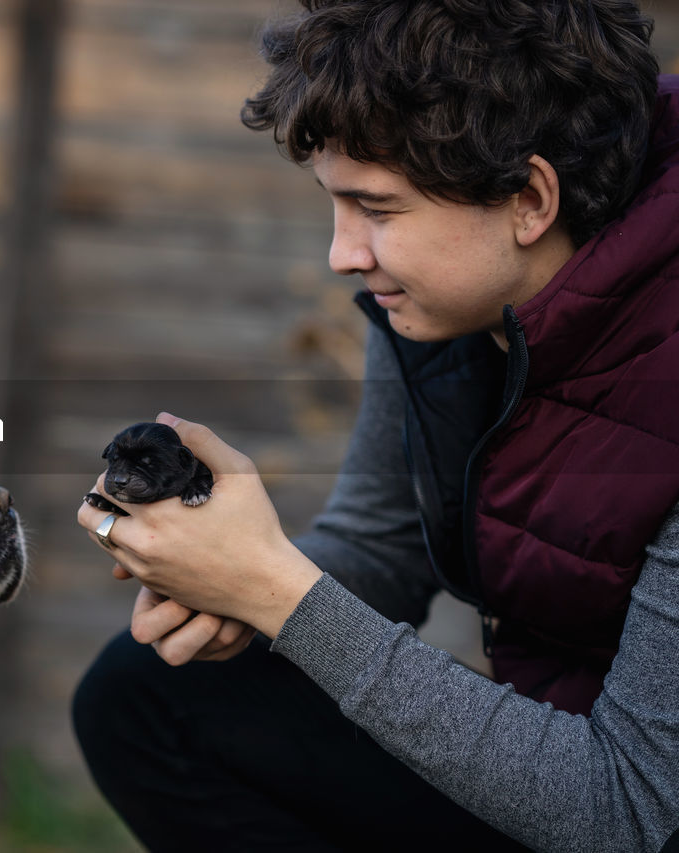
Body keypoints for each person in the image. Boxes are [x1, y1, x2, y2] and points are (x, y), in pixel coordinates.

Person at [72, 1, 679, 850]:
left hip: (623, 802)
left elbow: (632, 809)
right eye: (335, 205)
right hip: (555, 755)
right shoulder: (452, 300)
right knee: (147, 695)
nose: (342, 253)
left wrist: (276, 591)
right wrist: (225, 580)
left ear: (530, 198)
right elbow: (383, 544)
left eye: (379, 211)